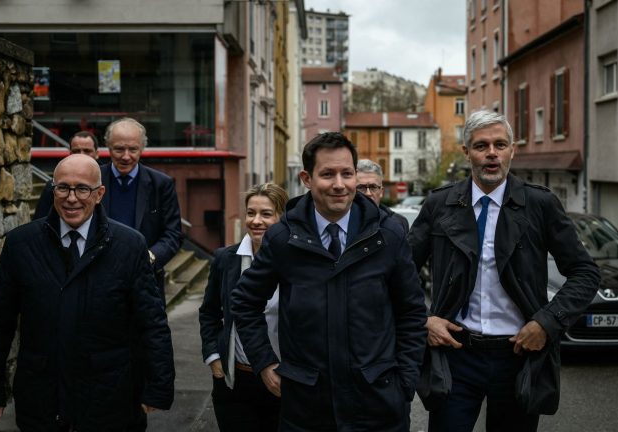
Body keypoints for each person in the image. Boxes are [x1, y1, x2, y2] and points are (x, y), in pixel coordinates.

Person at [407, 110, 600, 432]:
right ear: (466, 152)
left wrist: (546, 322)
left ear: (513, 150)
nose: (491, 153)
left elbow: (585, 272)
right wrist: (423, 319)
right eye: (481, 146)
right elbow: (401, 272)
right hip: (456, 355)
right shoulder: (439, 205)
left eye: (500, 144)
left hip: (518, 355)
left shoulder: (540, 205)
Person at [231, 132, 428, 431]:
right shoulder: (283, 238)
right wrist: (265, 363)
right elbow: (245, 302)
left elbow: (412, 313)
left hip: (378, 406)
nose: (339, 184)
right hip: (307, 408)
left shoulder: (388, 234)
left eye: (347, 174)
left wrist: (404, 384)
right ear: (307, 179)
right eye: (328, 174)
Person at [0, 154, 175, 431]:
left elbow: (152, 323)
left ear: (99, 193)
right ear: (52, 190)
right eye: (63, 188)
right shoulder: (21, 244)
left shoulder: (129, 245)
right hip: (41, 396)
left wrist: (158, 386)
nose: (71, 198)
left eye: (82, 189)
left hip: (111, 398)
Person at [199, 182, 289, 431]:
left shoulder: (296, 262)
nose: (256, 221)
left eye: (266, 214)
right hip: (236, 379)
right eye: (251, 213)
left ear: (282, 218)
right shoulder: (225, 259)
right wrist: (213, 356)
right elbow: (209, 312)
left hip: (282, 379)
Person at [100, 117, 183, 296]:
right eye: (119, 149)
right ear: (108, 147)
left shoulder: (162, 184)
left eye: (133, 149)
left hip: (146, 280)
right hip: (99, 279)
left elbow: (173, 233)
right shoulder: (93, 181)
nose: (126, 156)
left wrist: (150, 257)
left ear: (142, 148)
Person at [33, 131, 100, 220]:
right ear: (70, 153)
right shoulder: (52, 186)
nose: (81, 155)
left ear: (97, 154)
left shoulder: (108, 180)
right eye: (76, 151)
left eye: (87, 151)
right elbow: (40, 222)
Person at [356, 158, 410, 233]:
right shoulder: (340, 222)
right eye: (361, 187)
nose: (368, 193)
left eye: (373, 187)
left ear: (381, 191)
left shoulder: (399, 223)